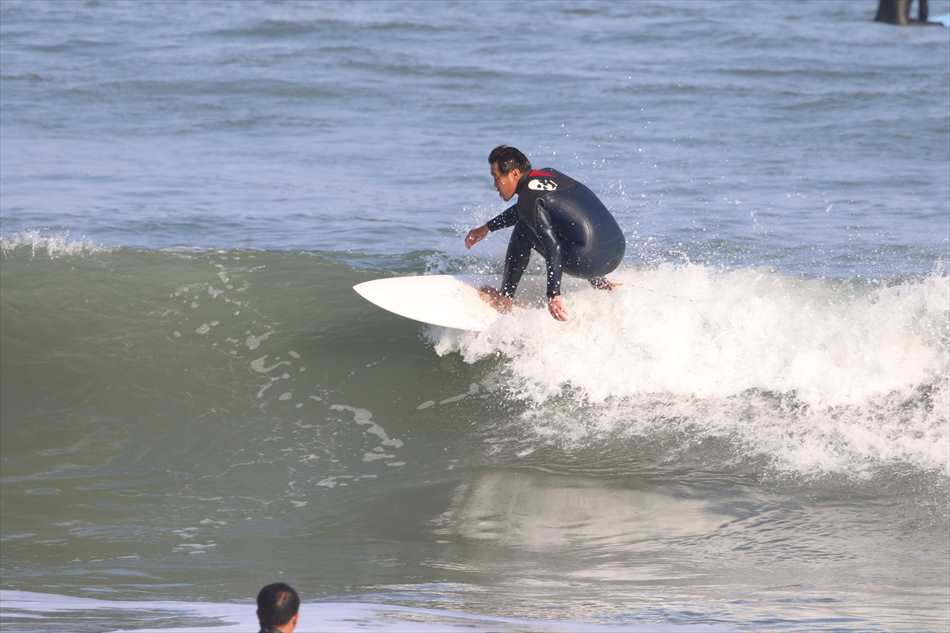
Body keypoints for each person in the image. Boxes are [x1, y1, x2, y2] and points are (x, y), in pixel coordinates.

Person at [465, 146, 625, 321]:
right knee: (561, 222)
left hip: (587, 262)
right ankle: (600, 282)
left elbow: (553, 247)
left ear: (514, 173)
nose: (495, 185)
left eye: (497, 178)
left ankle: (505, 299)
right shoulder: (548, 173)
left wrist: (553, 294)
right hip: (615, 252)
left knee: (523, 229)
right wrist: (487, 227)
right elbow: (524, 209)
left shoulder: (530, 199)